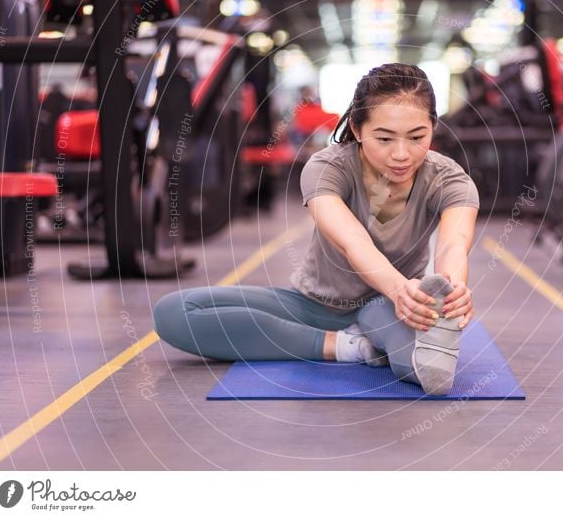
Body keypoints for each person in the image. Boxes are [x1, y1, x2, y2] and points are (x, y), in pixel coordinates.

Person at [153, 63, 480, 395]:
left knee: (422, 359)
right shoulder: (327, 167)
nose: (401, 154)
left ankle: (408, 342)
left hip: (388, 305)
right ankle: (346, 346)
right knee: (173, 312)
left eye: (416, 137)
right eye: (383, 138)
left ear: (433, 127)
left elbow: (454, 243)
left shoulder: (449, 178)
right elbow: (353, 242)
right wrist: (400, 289)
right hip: (314, 305)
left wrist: (451, 290)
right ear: (356, 126)